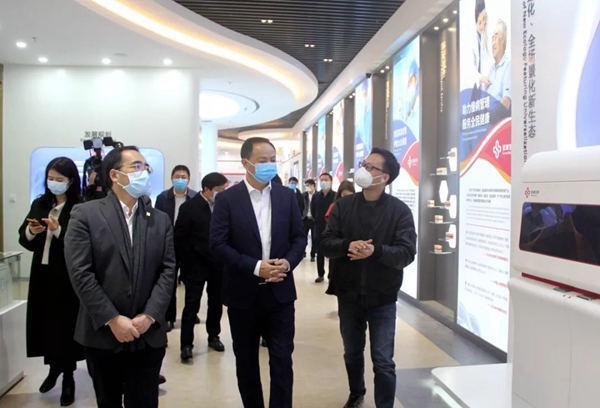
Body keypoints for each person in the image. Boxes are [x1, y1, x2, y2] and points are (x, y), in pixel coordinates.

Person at [64, 146, 176, 408]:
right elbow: (81, 272)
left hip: (148, 334)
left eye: (145, 167)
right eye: (136, 166)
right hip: (103, 334)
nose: (143, 172)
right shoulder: (86, 214)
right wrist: (112, 319)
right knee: (108, 401)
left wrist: (150, 315)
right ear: (115, 175)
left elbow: (168, 270)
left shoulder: (159, 220)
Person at [210, 137, 306, 408]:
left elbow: (299, 237)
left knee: (282, 360)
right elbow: (217, 244)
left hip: (280, 293)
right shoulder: (227, 199)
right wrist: (256, 267)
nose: (269, 165)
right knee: (246, 362)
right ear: (246, 163)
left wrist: (287, 263)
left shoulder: (287, 196)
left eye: (272, 160)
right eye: (262, 160)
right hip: (243, 295)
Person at [321, 148, 417, 408]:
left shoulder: (399, 211)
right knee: (352, 353)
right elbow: (326, 243)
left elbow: (407, 253)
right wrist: (347, 245)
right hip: (348, 293)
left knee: (383, 360)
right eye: (364, 164)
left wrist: (376, 251)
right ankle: (357, 393)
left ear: (384, 177)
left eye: (371, 167)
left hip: (382, 296)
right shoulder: (343, 206)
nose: (363, 169)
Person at [18, 157, 84, 407]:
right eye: (50, 178)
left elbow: (80, 243)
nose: (54, 183)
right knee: (45, 324)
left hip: (66, 276)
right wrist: (31, 231)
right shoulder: (40, 203)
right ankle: (53, 369)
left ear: (71, 181)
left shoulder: (79, 207)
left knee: (65, 326)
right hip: (42, 273)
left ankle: (68, 377)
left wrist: (57, 230)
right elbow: (24, 237)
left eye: (59, 179)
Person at [175, 172, 228, 361]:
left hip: (218, 264)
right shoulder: (190, 207)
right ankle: (186, 345)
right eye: (219, 190)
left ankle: (214, 336)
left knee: (216, 303)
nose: (222, 193)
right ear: (207, 189)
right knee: (192, 304)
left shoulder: (223, 207)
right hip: (195, 265)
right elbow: (179, 238)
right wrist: (184, 265)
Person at [155, 165, 198, 332]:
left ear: (189, 179)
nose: (180, 179)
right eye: (177, 176)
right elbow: (157, 221)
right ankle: (169, 317)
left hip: (188, 246)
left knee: (190, 282)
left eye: (183, 177)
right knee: (169, 282)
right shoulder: (162, 197)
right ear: (172, 178)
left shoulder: (195, 197)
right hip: (168, 244)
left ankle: (191, 313)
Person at [311, 173, 336, 283]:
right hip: (319, 227)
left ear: (331, 181)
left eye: (326, 180)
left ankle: (331, 275)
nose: (324, 182)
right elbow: (313, 210)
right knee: (319, 252)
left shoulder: (335, 196)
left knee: (332, 252)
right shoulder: (316, 196)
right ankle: (320, 274)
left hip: (332, 228)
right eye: (322, 180)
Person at [485, 19, 511, 117]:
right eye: (492, 40)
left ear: (502, 39)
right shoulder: (491, 71)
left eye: (495, 38)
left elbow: (506, 101)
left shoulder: (508, 65)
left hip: (499, 121)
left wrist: (489, 117)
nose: (493, 44)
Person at [303, 179, 317, 261]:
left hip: (314, 220)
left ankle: (313, 255)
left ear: (313, 185)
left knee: (314, 238)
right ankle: (303, 252)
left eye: (309, 185)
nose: (307, 187)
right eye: (306, 185)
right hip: (305, 219)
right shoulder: (304, 195)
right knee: (303, 237)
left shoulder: (318, 195)